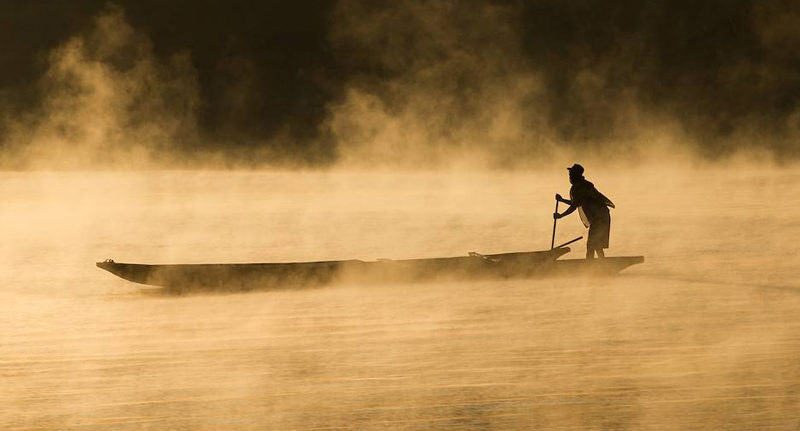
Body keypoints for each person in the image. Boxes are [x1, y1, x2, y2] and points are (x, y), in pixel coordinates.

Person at [553, 164, 615, 259]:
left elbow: (574, 205)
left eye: (571, 174)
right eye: (570, 174)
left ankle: (591, 264)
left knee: (592, 244)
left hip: (600, 218)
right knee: (595, 244)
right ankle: (601, 263)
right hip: (598, 218)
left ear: (577, 174)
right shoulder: (579, 186)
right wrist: (562, 200)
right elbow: (577, 203)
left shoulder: (583, 187)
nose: (570, 176)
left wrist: (561, 215)